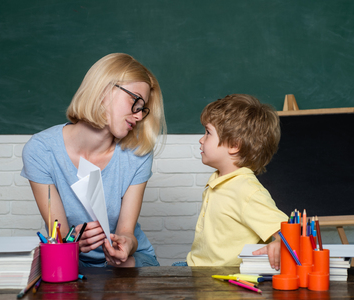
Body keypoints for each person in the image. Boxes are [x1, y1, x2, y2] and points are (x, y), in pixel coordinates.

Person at [21, 53, 166, 268]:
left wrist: (126, 244)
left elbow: (127, 231)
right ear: (103, 90)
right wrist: (72, 241)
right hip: (70, 260)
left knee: (124, 272)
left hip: (127, 263)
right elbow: (58, 235)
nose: (138, 116)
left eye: (142, 109)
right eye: (134, 101)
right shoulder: (41, 150)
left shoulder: (138, 153)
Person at [178, 94, 288, 269]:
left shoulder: (246, 190)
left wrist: (282, 243)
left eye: (208, 133)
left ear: (234, 145)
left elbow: (289, 231)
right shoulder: (219, 180)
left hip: (219, 278)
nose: (201, 139)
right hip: (196, 268)